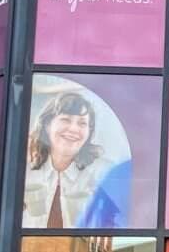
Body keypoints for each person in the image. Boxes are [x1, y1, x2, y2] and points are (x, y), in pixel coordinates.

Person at [23, 91, 115, 228]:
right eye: (66, 120)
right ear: (47, 125)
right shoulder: (26, 172)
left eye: (82, 123)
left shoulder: (104, 172)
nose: (73, 129)